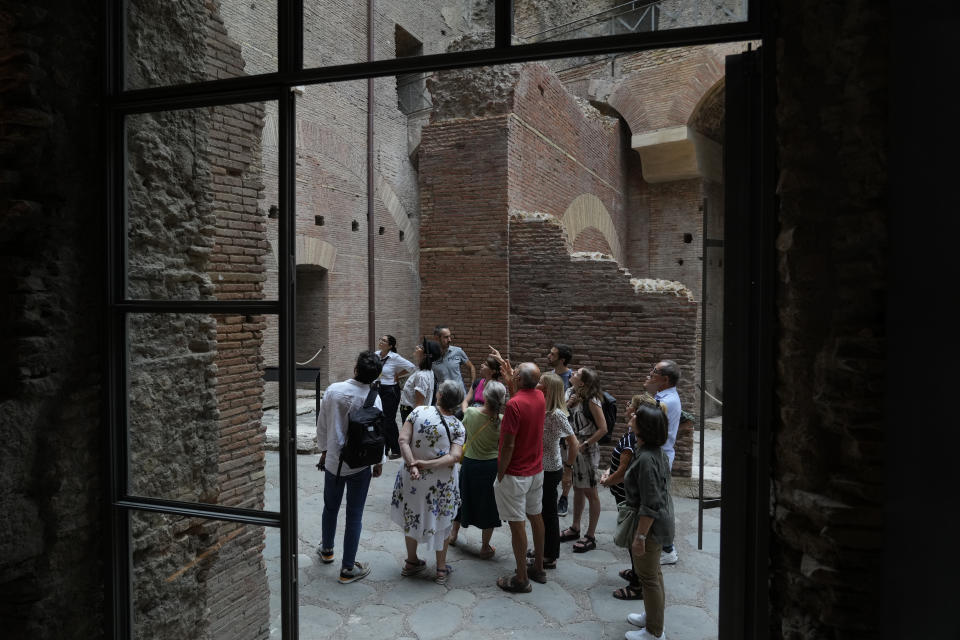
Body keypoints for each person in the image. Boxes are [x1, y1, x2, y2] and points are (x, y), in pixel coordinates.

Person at [315, 350, 385, 584]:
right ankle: (347, 569)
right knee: (354, 516)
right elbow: (377, 434)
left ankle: (327, 550)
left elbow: (322, 425)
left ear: (356, 368)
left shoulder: (334, 390)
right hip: (360, 465)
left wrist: (324, 451)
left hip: (334, 462)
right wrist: (378, 462)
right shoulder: (374, 398)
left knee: (330, 507)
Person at [390, 379, 466, 585]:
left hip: (412, 478)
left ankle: (411, 561)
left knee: (411, 516)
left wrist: (414, 465)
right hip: (441, 483)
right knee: (443, 522)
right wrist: (426, 464)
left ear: (439, 395)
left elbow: (402, 440)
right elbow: (454, 457)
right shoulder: (458, 426)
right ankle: (441, 570)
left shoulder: (418, 412)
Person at [623, 396, 675, 640]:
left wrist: (640, 536)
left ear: (644, 427)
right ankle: (652, 617)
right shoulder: (652, 451)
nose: (631, 416)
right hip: (657, 521)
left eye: (636, 416)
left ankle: (654, 632)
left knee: (649, 576)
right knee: (653, 573)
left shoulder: (646, 458)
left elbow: (651, 502)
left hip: (651, 526)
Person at [494, 362, 547, 593]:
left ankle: (521, 579)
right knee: (536, 517)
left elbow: (508, 444)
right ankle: (539, 567)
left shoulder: (513, 404)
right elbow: (523, 405)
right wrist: (511, 381)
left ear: (519, 378)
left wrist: (501, 472)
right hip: (536, 470)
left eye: (515, 372)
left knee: (518, 526)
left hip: (516, 473)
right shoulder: (539, 396)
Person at [446, 379, 506, 558]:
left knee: (462, 497)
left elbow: (462, 433)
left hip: (470, 463)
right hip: (491, 467)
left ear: (485, 396)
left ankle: (453, 535)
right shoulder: (502, 421)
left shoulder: (471, 413)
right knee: (489, 505)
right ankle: (485, 546)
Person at [558, 367, 608, 553]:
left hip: (585, 451)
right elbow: (561, 415)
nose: (573, 374)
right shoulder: (569, 392)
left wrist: (585, 444)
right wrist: (568, 405)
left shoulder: (592, 400)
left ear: (583, 383)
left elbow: (603, 429)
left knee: (590, 492)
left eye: (577, 374)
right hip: (571, 447)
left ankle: (591, 535)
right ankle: (575, 527)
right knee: (577, 488)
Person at [536, 372, 578, 570]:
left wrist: (568, 469)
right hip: (539, 467)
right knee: (540, 511)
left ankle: (550, 555)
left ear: (548, 389)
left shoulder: (557, 414)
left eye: (540, 383)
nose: (537, 385)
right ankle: (542, 549)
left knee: (549, 513)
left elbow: (573, 443)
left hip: (551, 468)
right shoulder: (541, 408)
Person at [604, 394, 643, 600]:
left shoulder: (631, 440)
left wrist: (607, 480)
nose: (627, 406)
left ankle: (638, 583)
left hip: (626, 497)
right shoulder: (631, 435)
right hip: (624, 495)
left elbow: (622, 471)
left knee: (631, 536)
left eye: (631, 405)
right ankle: (635, 571)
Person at [643, 359, 682, 565]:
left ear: (665, 379)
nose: (650, 372)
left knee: (658, 503)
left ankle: (668, 549)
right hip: (657, 454)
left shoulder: (667, 401)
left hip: (659, 457)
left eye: (655, 371)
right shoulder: (663, 396)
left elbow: (647, 422)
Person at [376, 334, 416, 459]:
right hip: (378, 388)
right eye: (380, 339)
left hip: (390, 391)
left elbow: (412, 367)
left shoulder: (394, 357)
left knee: (389, 419)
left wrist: (398, 374)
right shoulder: (376, 355)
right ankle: (384, 448)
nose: (381, 341)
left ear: (390, 346)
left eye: (384, 341)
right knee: (380, 419)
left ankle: (396, 449)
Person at [547, 343, 574, 516]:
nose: (549, 356)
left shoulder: (572, 378)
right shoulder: (549, 376)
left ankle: (564, 497)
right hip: (550, 427)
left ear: (562, 359)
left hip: (566, 426)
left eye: (553, 354)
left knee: (566, 463)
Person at [398, 339, 442, 425]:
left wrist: (412, 425)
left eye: (421, 347)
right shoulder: (420, 370)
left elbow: (419, 405)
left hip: (411, 414)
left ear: (425, 355)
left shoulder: (422, 376)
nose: (417, 347)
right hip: (408, 411)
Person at [432, 325, 475, 395]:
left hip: (459, 395)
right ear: (436, 338)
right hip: (442, 397)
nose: (449, 340)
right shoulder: (431, 356)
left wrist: (472, 387)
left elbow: (471, 367)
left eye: (449, 336)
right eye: (446, 337)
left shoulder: (458, 351)